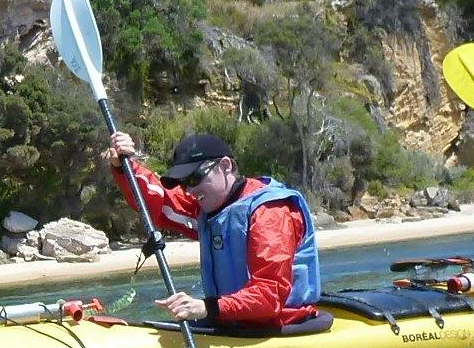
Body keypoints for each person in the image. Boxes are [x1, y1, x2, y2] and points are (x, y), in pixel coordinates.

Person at [105, 129, 324, 331]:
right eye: (183, 183)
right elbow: (158, 201)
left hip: (281, 324)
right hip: (230, 321)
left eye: (194, 178)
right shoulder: (209, 209)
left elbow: (270, 294)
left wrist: (206, 308)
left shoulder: (270, 212)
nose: (189, 190)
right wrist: (125, 166)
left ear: (225, 166)